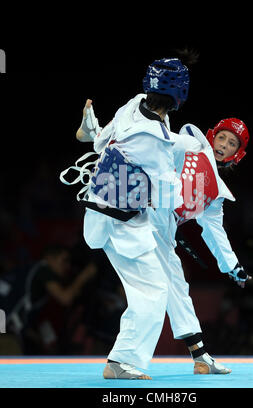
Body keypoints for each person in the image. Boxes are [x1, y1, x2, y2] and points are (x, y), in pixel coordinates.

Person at [61, 57, 190, 379]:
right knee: (153, 290)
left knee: (143, 287)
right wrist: (185, 159)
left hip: (98, 209)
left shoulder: (133, 105)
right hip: (123, 224)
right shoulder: (156, 141)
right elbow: (167, 197)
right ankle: (121, 362)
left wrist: (91, 131)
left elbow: (102, 140)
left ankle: (121, 359)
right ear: (181, 93)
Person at [147, 118, 252, 374]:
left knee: (171, 287)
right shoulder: (193, 145)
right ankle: (200, 356)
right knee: (165, 289)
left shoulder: (216, 194)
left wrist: (233, 267)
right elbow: (160, 144)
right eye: (222, 138)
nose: (223, 145)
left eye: (231, 143)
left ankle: (200, 356)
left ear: (236, 154)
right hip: (144, 209)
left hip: (162, 229)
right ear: (212, 137)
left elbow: (216, 234)